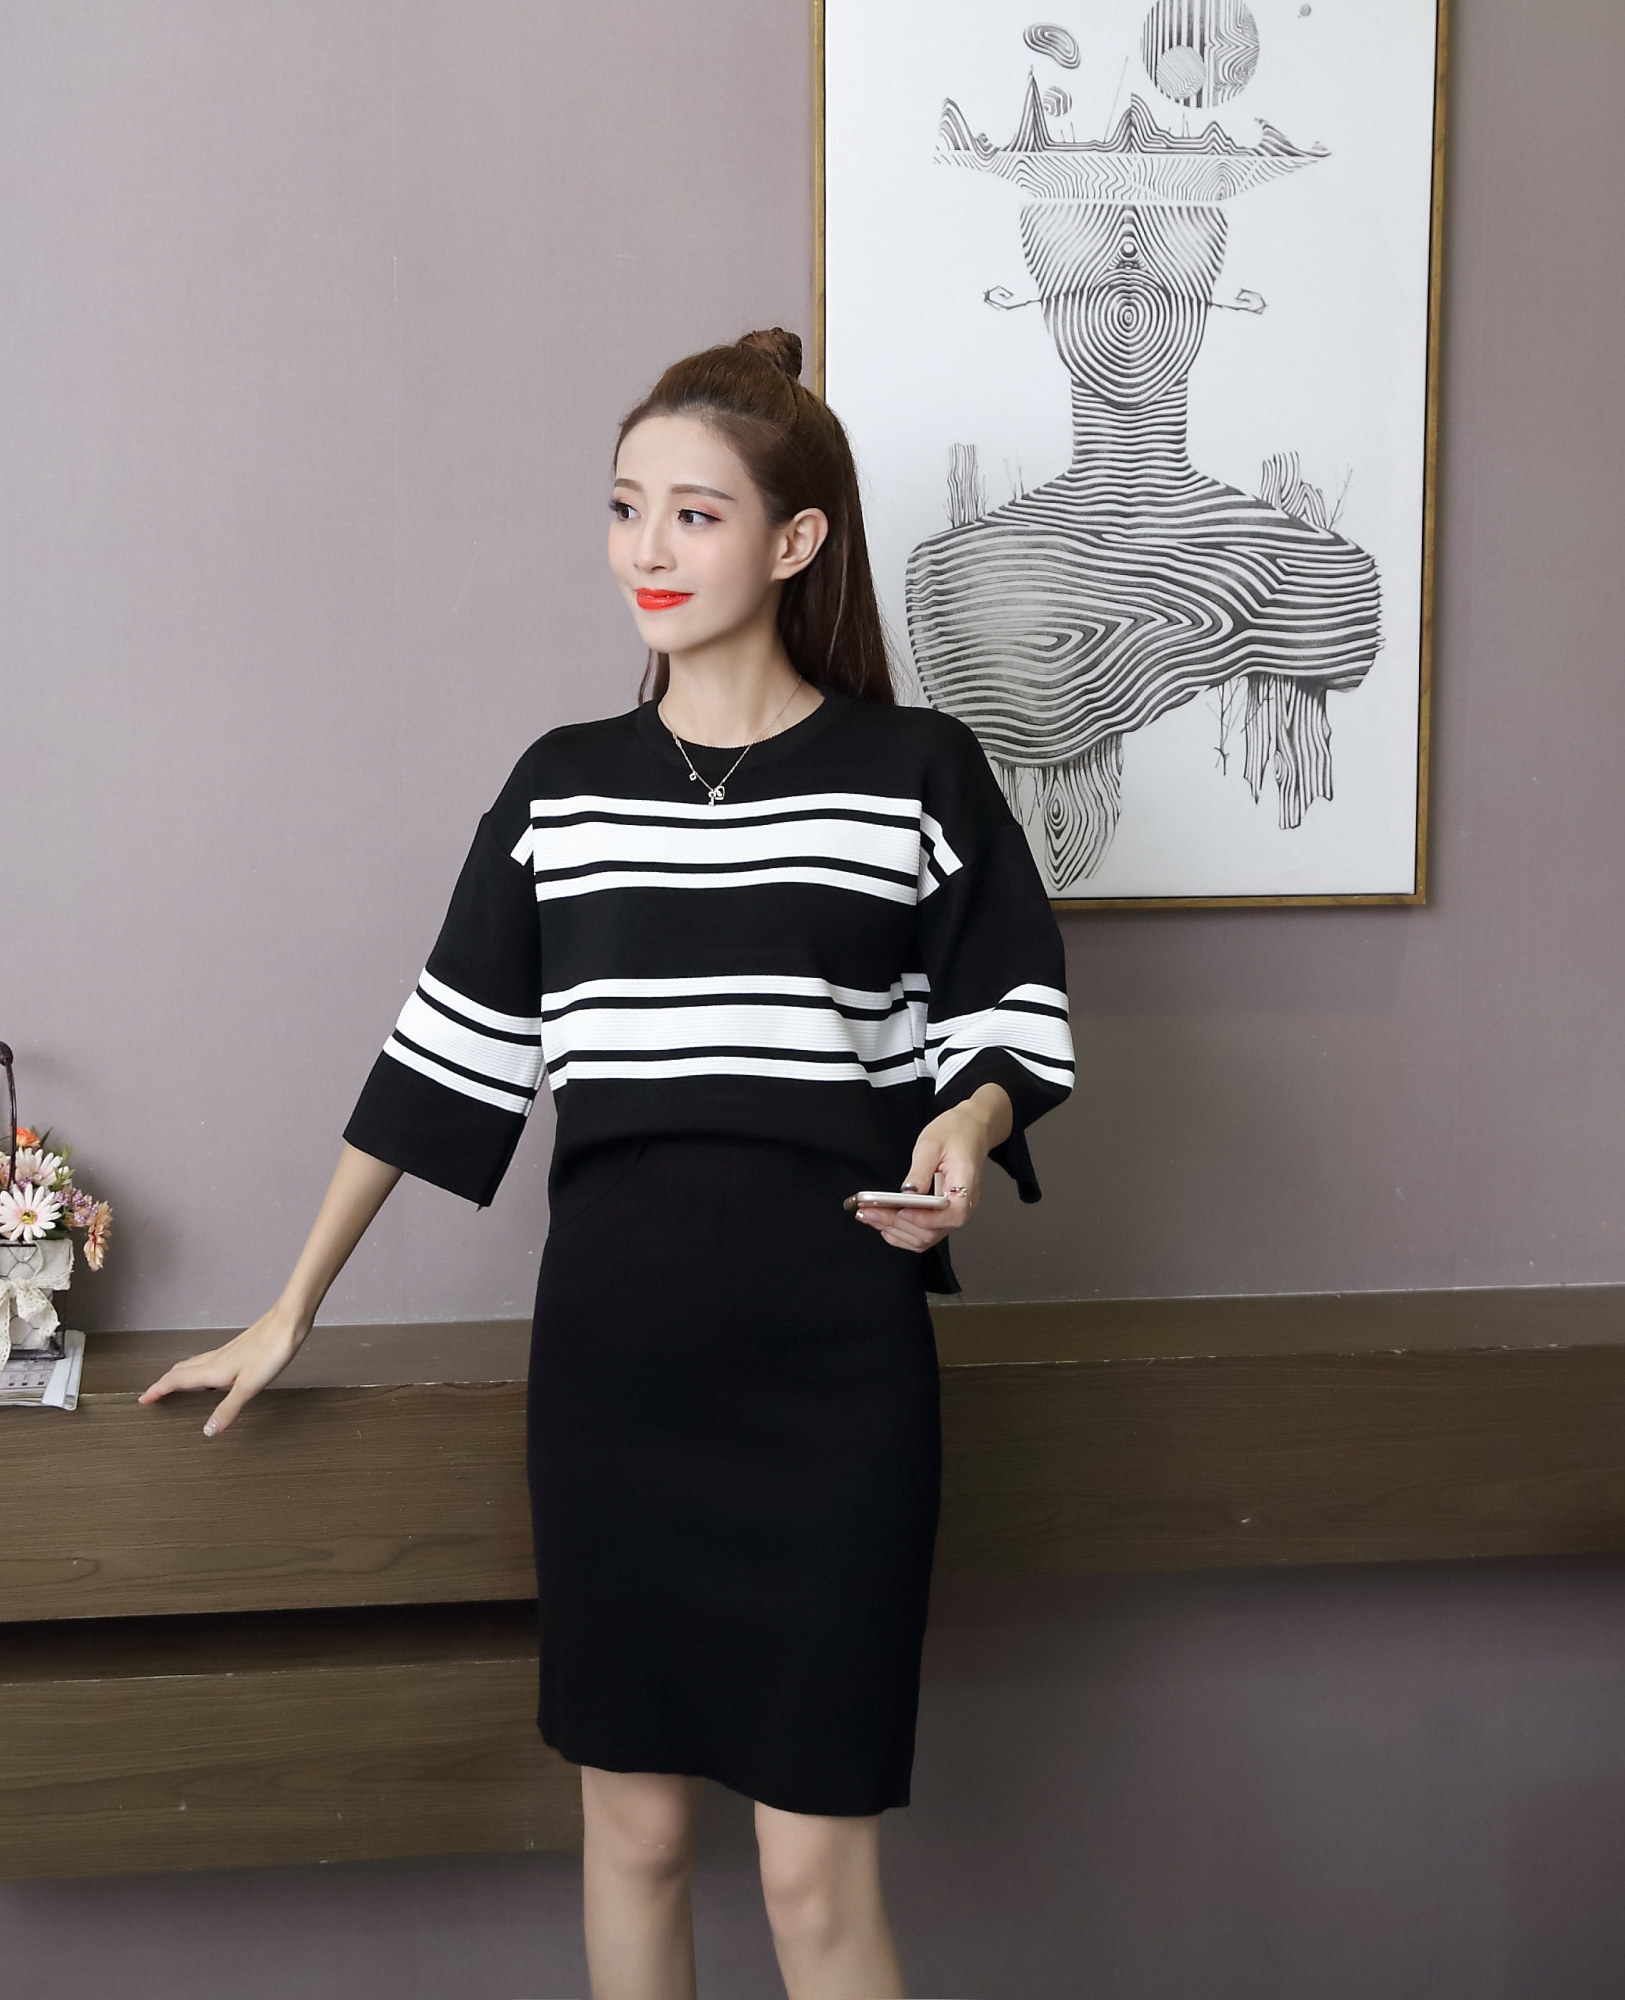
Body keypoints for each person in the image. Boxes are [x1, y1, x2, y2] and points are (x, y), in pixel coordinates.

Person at [142, 326, 1073, 2000]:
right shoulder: (560, 791)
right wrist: (290, 1309)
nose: (648, 548)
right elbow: (439, 1060)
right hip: (616, 1366)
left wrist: (967, 1119)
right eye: (627, 506)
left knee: (811, 1878)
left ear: (795, 541)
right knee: (632, 1836)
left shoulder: (915, 772)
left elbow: (1005, 1017)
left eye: (696, 515)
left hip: (836, 1367)